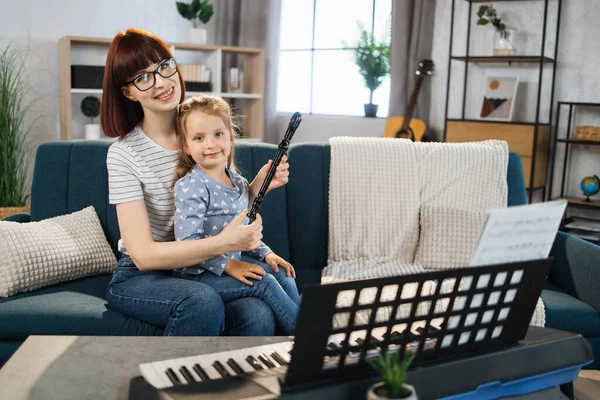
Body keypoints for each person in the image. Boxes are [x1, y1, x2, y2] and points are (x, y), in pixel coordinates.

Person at [101, 28, 287, 336]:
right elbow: (144, 255)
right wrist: (225, 245)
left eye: (164, 66)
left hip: (200, 269)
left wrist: (257, 185)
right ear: (128, 92)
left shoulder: (203, 131)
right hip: (143, 276)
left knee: (257, 314)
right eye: (143, 77)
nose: (161, 82)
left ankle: (240, 385)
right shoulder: (124, 154)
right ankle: (170, 383)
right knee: (201, 301)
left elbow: (222, 207)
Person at [172, 95, 300, 335]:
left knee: (280, 273)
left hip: (228, 266)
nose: (210, 144)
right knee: (266, 284)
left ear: (231, 138)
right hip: (198, 275)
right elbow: (187, 245)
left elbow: (243, 234)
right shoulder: (191, 186)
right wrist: (228, 264)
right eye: (199, 138)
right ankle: (309, 340)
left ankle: (293, 342)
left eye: (218, 134)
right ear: (186, 146)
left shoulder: (239, 183)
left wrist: (267, 253)